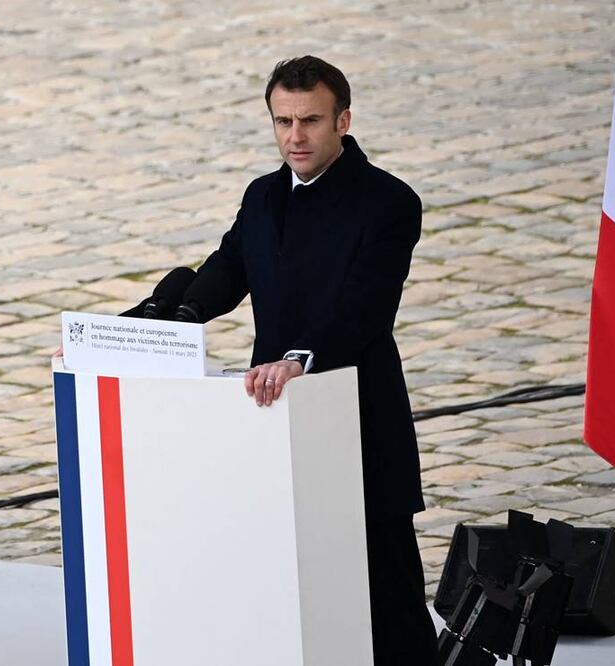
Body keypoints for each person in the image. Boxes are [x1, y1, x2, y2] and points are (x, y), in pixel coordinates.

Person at [192, 55, 438, 665]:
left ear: (343, 121)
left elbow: (366, 308)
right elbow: (224, 275)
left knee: (388, 590)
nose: (294, 137)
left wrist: (302, 361)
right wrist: (146, 325)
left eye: (309, 121)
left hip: (359, 420)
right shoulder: (263, 196)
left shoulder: (388, 202)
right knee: (289, 580)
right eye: (282, 122)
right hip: (273, 418)